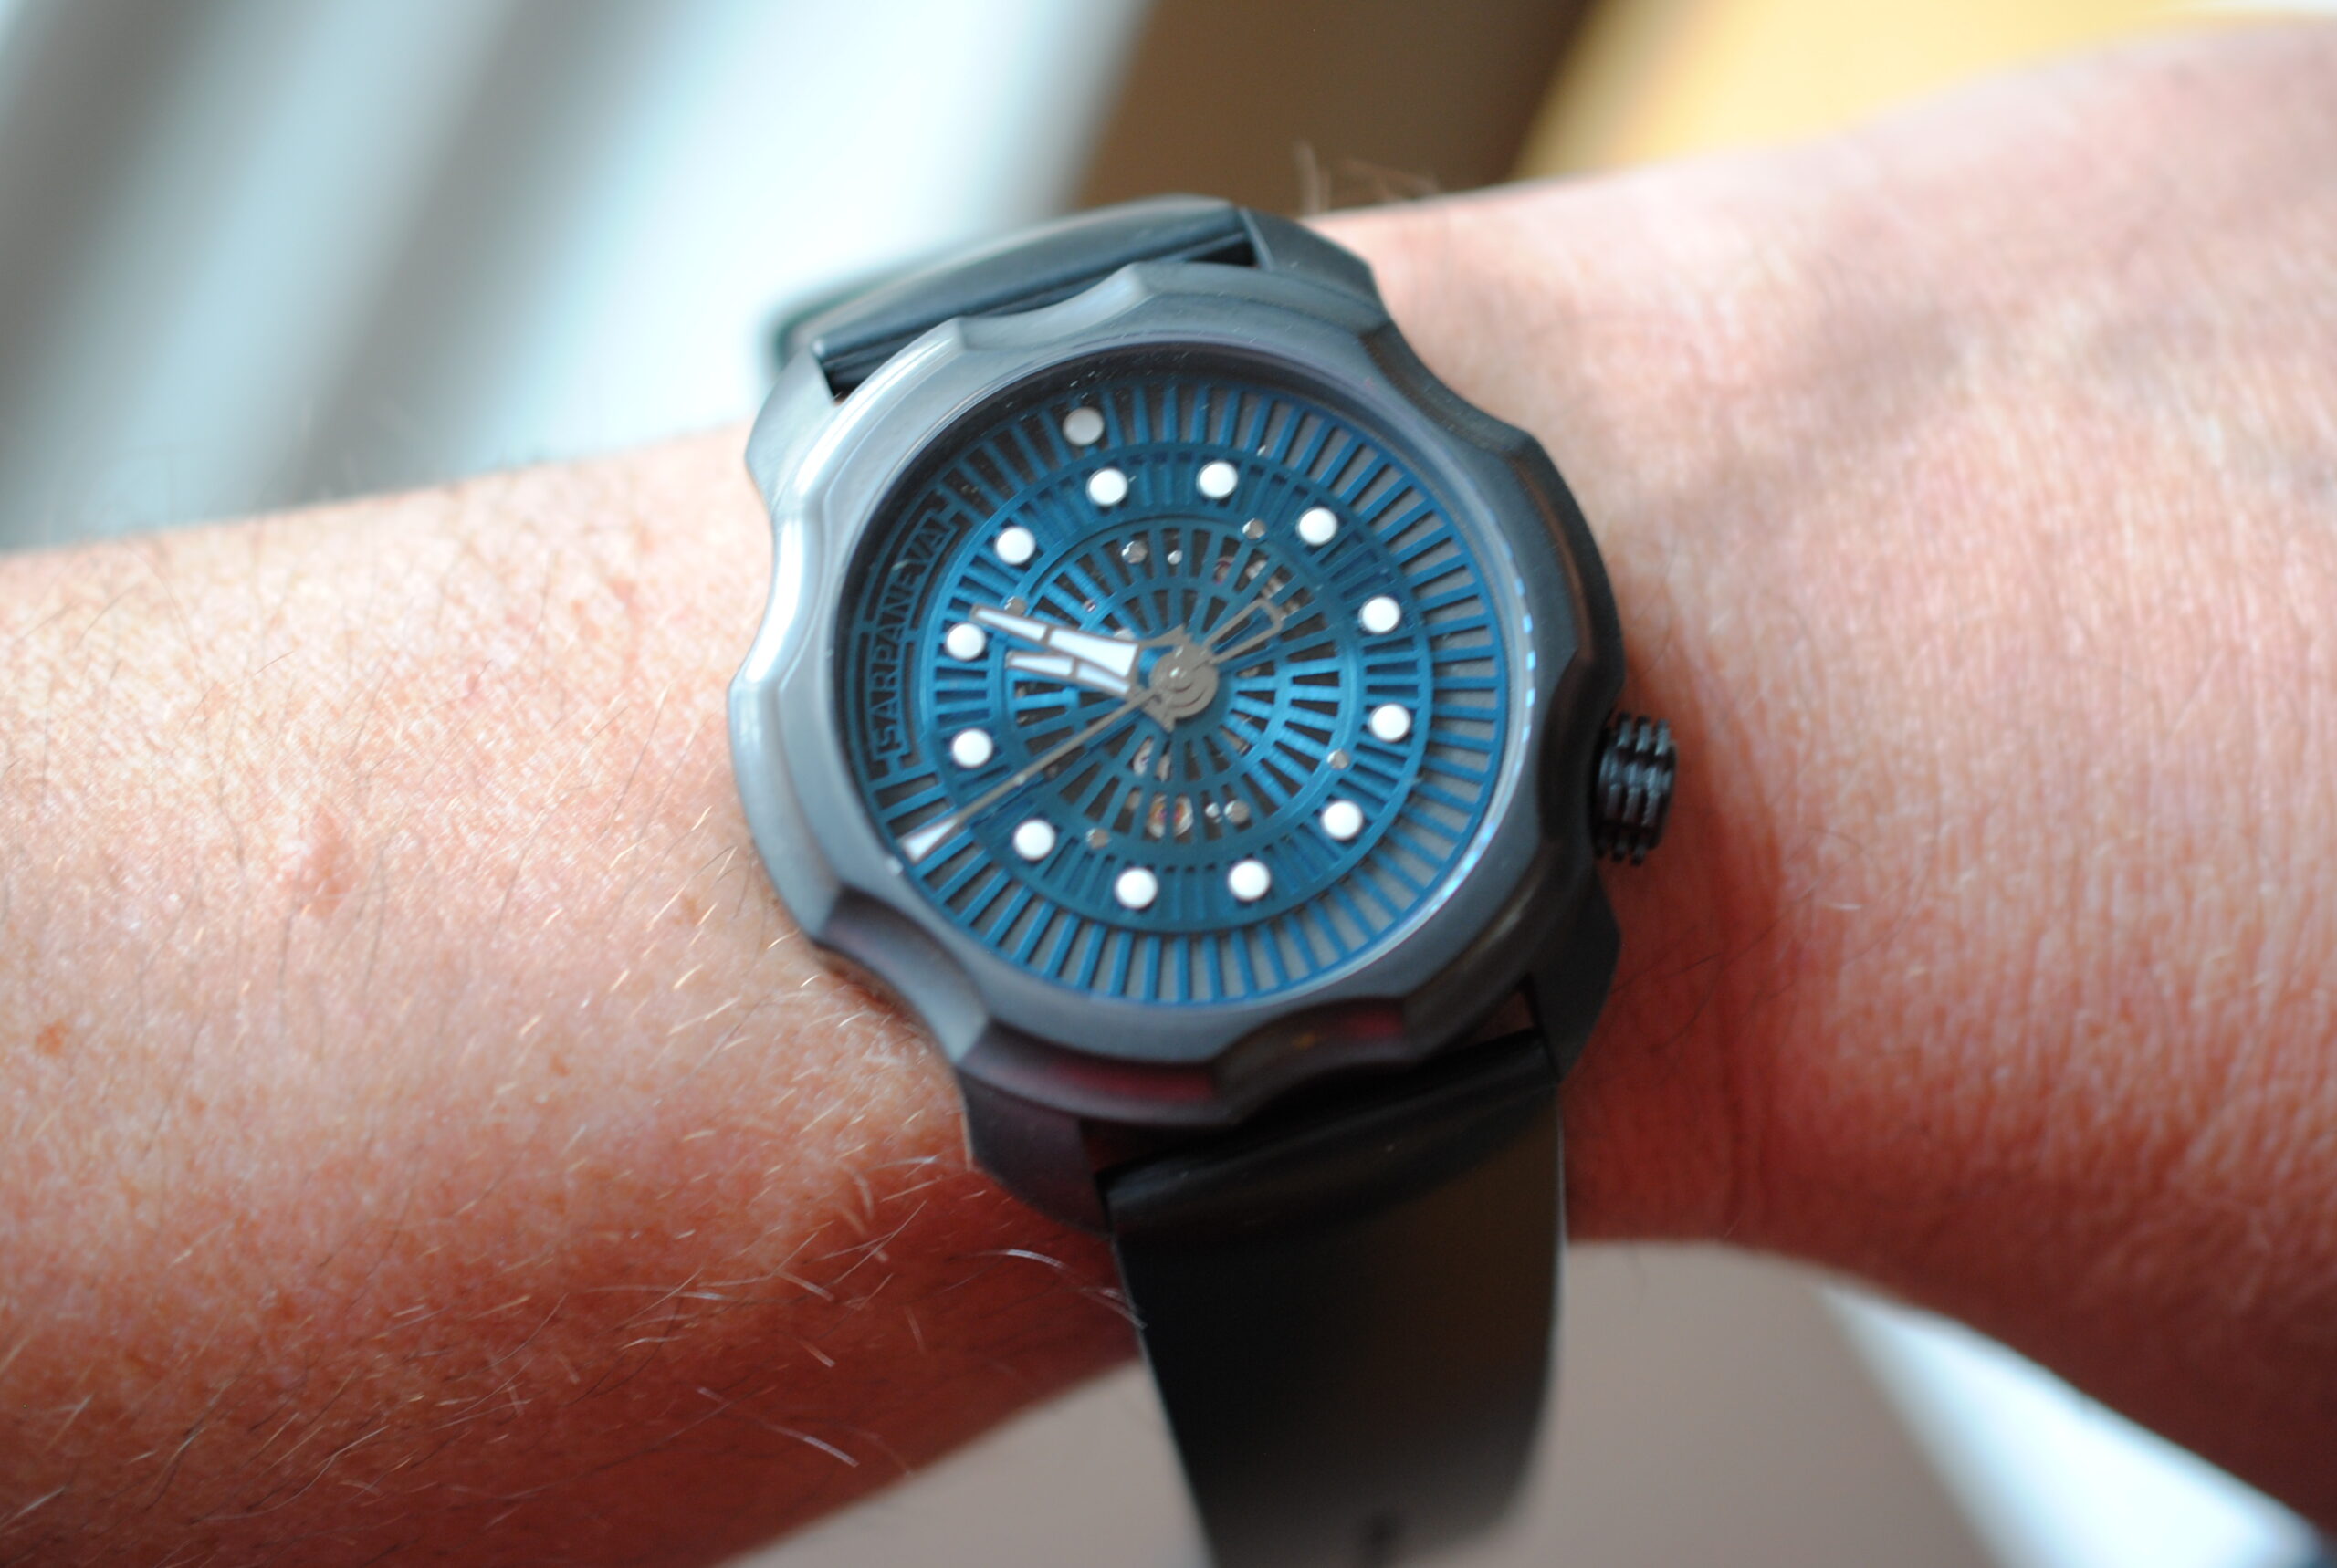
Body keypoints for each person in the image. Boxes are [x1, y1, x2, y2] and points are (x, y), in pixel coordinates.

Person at [0, 22, 2330, 1567]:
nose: (1181, 674)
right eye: (1136, 663)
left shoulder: (1464, 731)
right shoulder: (954, 927)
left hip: (1427, 975)